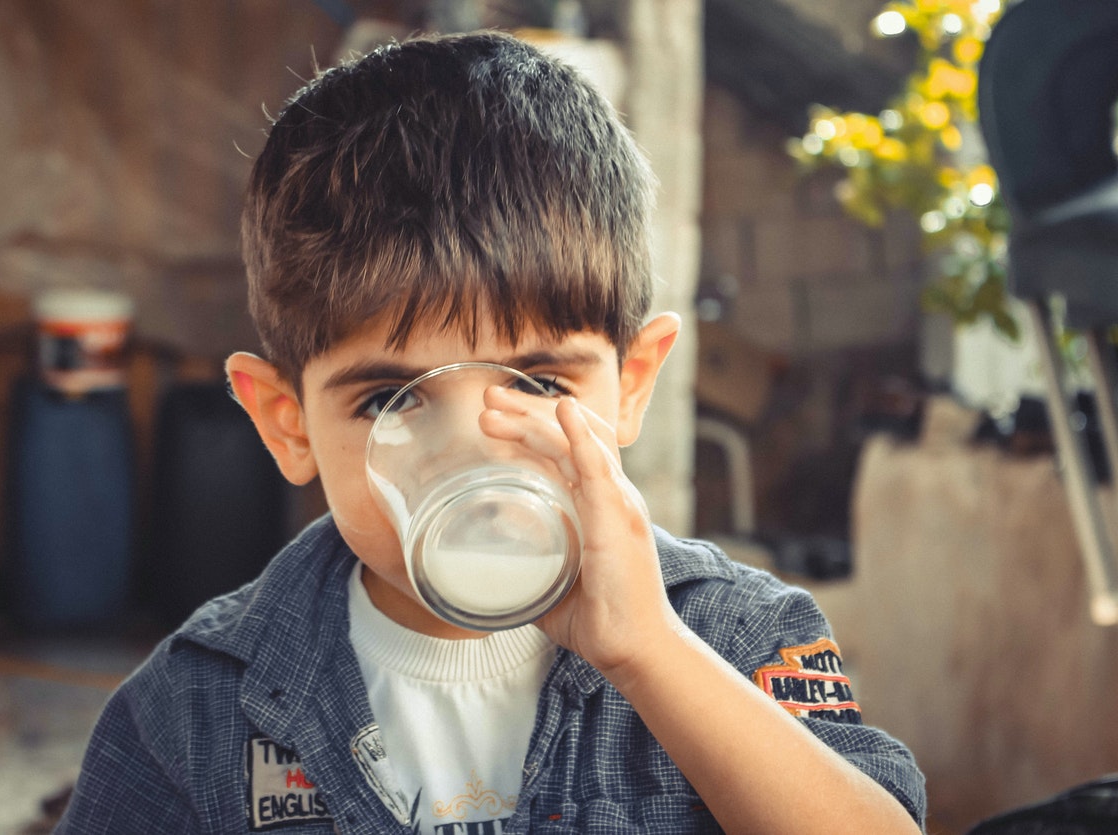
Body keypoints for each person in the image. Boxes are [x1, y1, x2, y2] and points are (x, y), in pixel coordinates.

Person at [55, 31, 925, 834]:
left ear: (631, 385)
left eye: (538, 383)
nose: (473, 446)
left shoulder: (737, 639)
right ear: (289, 425)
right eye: (390, 397)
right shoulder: (194, 710)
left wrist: (652, 653)